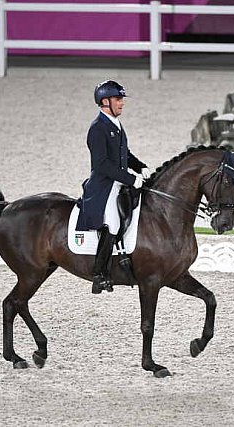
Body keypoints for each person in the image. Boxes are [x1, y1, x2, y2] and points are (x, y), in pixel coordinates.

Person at [76, 80, 150, 294]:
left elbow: (123, 154)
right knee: (112, 223)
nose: (122, 103)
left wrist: (140, 166)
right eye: (118, 99)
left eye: (121, 99)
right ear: (105, 101)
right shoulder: (98, 128)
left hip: (118, 181)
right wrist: (129, 178)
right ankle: (99, 275)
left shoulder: (115, 125)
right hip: (104, 186)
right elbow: (102, 164)